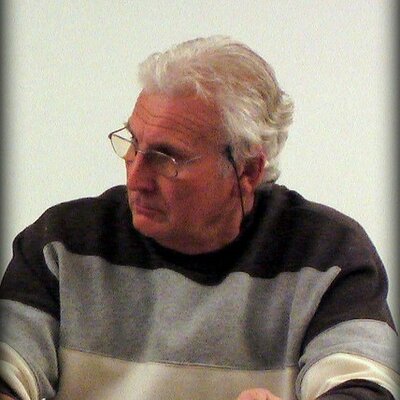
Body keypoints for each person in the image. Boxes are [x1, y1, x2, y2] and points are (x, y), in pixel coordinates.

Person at [0, 35, 398, 400]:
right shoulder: (62, 246)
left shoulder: (328, 255)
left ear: (247, 170)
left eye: (165, 158)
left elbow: (365, 388)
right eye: (132, 145)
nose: (136, 178)